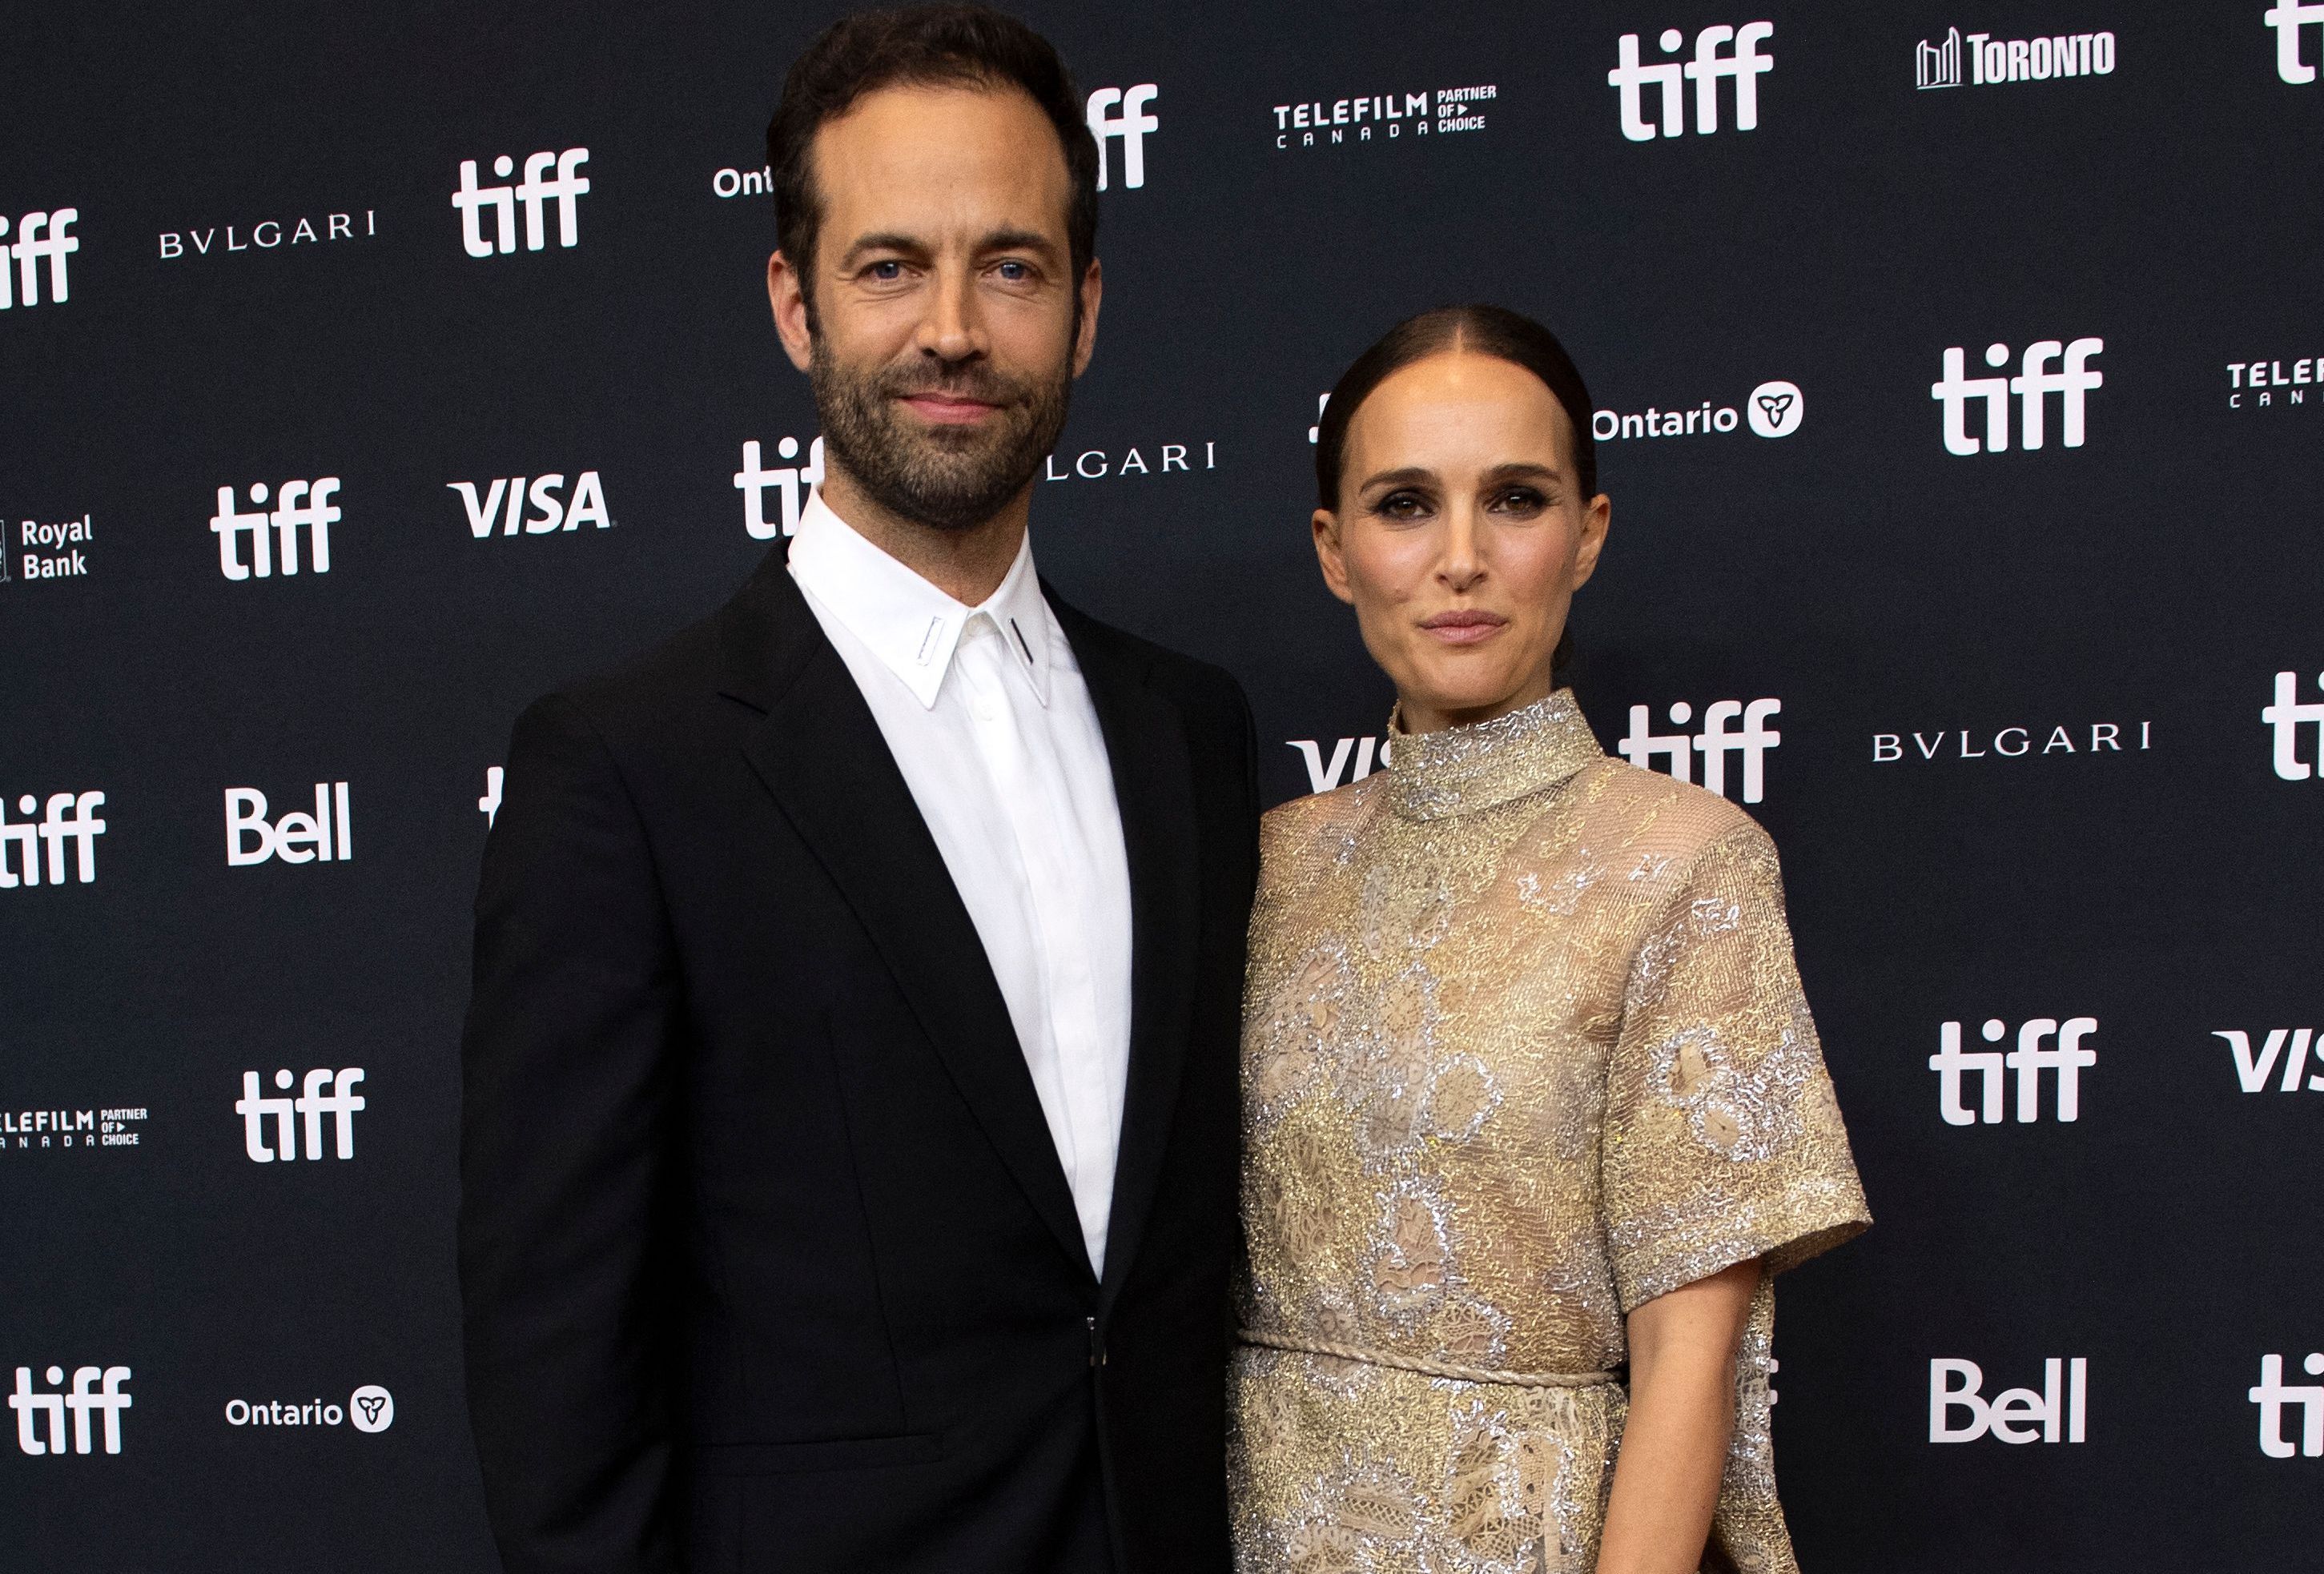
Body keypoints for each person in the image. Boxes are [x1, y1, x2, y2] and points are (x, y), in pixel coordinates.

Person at [456, 9, 1257, 1572]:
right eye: (890, 266)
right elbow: (557, 1372)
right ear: (794, 302)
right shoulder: (624, 767)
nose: (952, 328)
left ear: (1085, 310)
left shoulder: (1190, 731)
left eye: (1010, 266)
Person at [1229, 305, 1868, 1574]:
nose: (1460, 559)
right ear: (1334, 549)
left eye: (1514, 500)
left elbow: (1691, 1353)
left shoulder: (1683, 860)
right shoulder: (1263, 861)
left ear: (1587, 534)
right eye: (1404, 505)